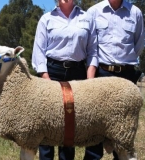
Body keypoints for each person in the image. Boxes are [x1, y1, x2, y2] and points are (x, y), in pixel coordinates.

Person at [32, 0, 98, 159]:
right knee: (47, 120)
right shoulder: (46, 19)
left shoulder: (87, 18)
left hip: (77, 73)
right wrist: (45, 77)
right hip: (51, 72)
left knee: (70, 123)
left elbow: (93, 52)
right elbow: (38, 51)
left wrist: (89, 82)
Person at [84, 0, 145, 159]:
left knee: (123, 128)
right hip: (102, 75)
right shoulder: (94, 12)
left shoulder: (135, 13)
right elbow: (89, 46)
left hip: (126, 76)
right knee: (95, 126)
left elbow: (138, 45)